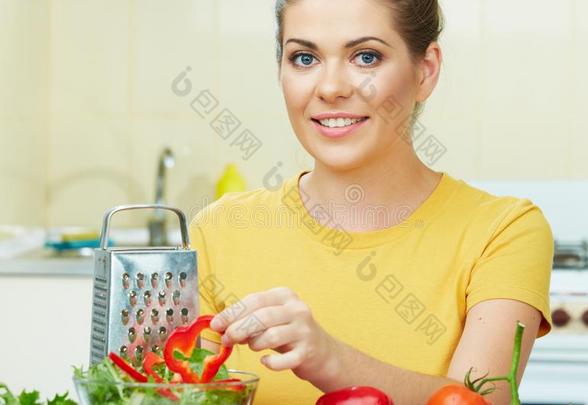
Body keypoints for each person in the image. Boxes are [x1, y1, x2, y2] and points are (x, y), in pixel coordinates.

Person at [190, 0, 554, 403]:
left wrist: (331, 360)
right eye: (304, 58)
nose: (330, 88)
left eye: (366, 57)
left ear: (425, 71)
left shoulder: (503, 230)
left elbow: (481, 401)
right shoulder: (218, 231)